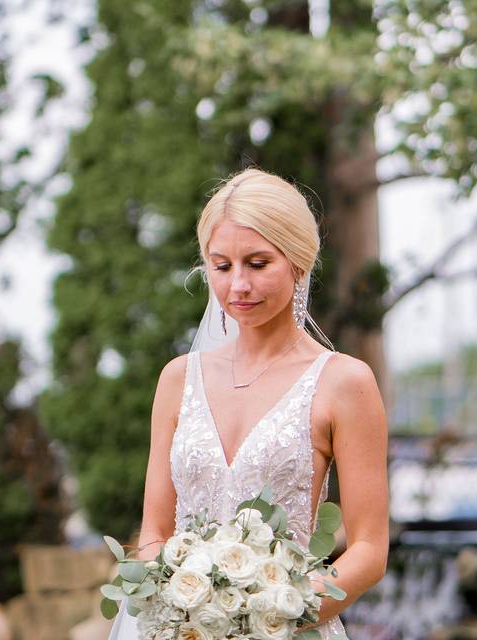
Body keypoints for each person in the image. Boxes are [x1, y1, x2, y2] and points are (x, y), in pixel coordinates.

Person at [107, 168, 389, 639]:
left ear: (298, 262)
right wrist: (183, 605)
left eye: (257, 264)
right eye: (222, 266)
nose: (238, 286)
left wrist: (273, 616)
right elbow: (154, 532)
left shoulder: (344, 382)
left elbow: (368, 549)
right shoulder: (178, 380)